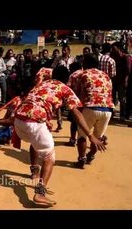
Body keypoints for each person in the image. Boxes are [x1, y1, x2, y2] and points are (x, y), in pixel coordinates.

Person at [10, 66, 106, 207]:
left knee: (35, 142)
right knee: (49, 156)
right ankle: (40, 193)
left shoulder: (42, 84)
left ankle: (34, 173)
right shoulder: (65, 88)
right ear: (67, 79)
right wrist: (90, 135)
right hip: (34, 121)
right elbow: (76, 113)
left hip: (18, 121)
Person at [75, 54, 114, 169]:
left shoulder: (83, 74)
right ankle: (91, 155)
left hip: (90, 107)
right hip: (107, 109)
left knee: (82, 135)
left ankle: (81, 159)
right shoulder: (106, 76)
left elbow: (79, 92)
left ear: (85, 64)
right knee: (98, 137)